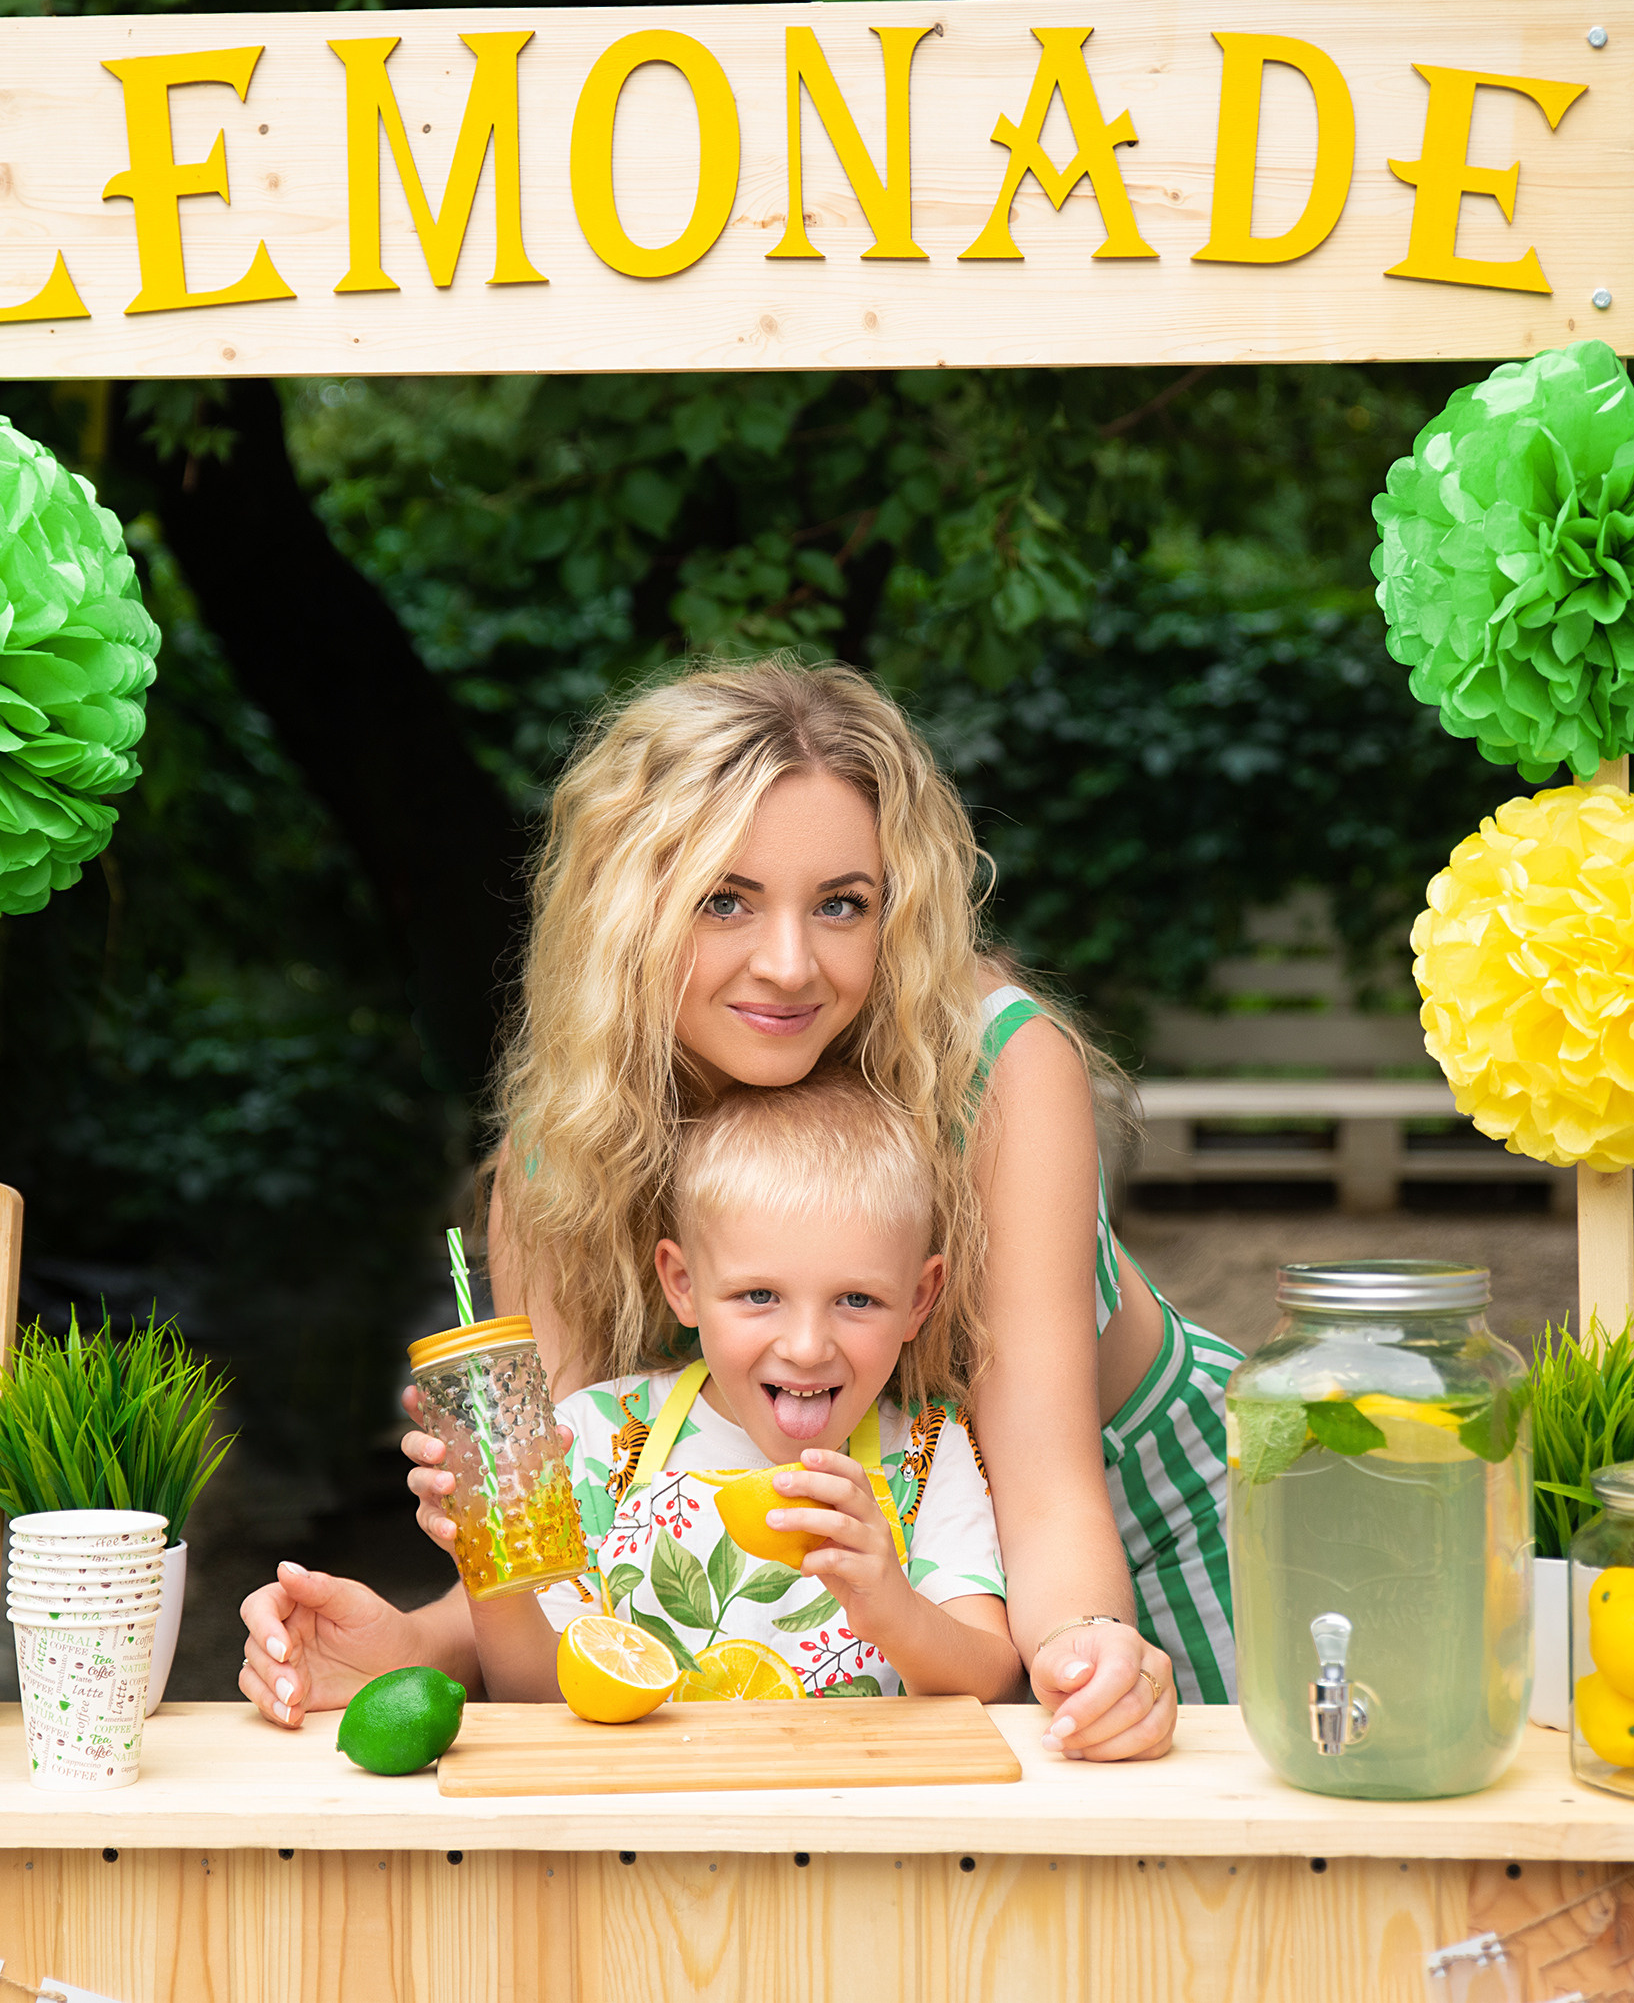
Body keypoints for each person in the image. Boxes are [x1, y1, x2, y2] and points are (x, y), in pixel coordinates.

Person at [244, 658, 1237, 1759]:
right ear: (629, 907)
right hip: (863, 1647)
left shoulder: (994, 1073)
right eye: (724, 898)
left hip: (1157, 1541)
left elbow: (1047, 1494)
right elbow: (579, 1566)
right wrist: (407, 1646)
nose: (787, 964)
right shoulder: (562, 1156)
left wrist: (1093, 1645)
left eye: (841, 904)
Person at [447, 1073, 1016, 1703]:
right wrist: (485, 1562)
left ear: (918, 1299)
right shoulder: (595, 1436)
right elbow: (536, 1696)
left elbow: (990, 1677)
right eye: (759, 1295)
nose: (806, 1347)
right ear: (683, 1283)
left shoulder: (927, 1451)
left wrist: (895, 1611)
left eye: (857, 1299)